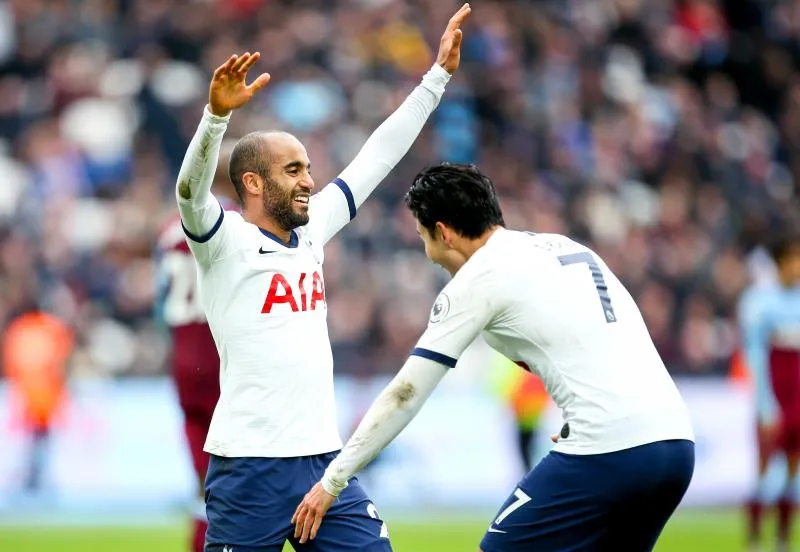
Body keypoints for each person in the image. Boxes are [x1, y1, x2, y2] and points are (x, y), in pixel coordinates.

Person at [174, 5, 471, 551]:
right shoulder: (226, 243)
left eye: (308, 168)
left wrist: (437, 78)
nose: (310, 181)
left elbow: (376, 156)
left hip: (323, 462)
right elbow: (190, 193)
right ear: (253, 184)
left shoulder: (311, 235)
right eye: (294, 171)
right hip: (249, 468)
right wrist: (215, 120)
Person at [293, 163, 695, 551]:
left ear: (444, 233)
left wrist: (333, 481)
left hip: (610, 449)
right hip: (676, 443)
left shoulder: (479, 278)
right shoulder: (564, 247)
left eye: (423, 238)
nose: (429, 254)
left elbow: (405, 394)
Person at [155, 141, 237, 552]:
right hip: (220, 358)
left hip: (183, 355)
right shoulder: (234, 221)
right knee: (243, 480)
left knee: (204, 481)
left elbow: (160, 301)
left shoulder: (170, 227)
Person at [739, 237, 800, 552]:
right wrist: (765, 404)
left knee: (793, 468)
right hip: (775, 395)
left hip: (798, 399)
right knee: (763, 468)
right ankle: (753, 539)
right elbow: (756, 355)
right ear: (779, 264)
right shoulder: (761, 302)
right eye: (792, 259)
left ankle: (783, 539)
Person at [2, 310, 73, 494]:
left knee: (34, 437)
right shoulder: (47, 329)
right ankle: (32, 475)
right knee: (37, 438)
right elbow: (61, 361)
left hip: (29, 392)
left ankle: (32, 475)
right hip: (40, 394)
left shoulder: (22, 330)